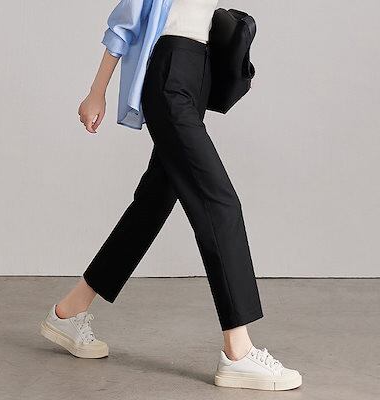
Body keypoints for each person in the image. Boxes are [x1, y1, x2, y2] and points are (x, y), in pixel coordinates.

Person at [40, 0, 302, 391]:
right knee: (219, 202)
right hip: (170, 71)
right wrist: (96, 92)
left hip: (198, 69)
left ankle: (69, 310)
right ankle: (238, 353)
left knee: (153, 202)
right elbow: (125, 22)